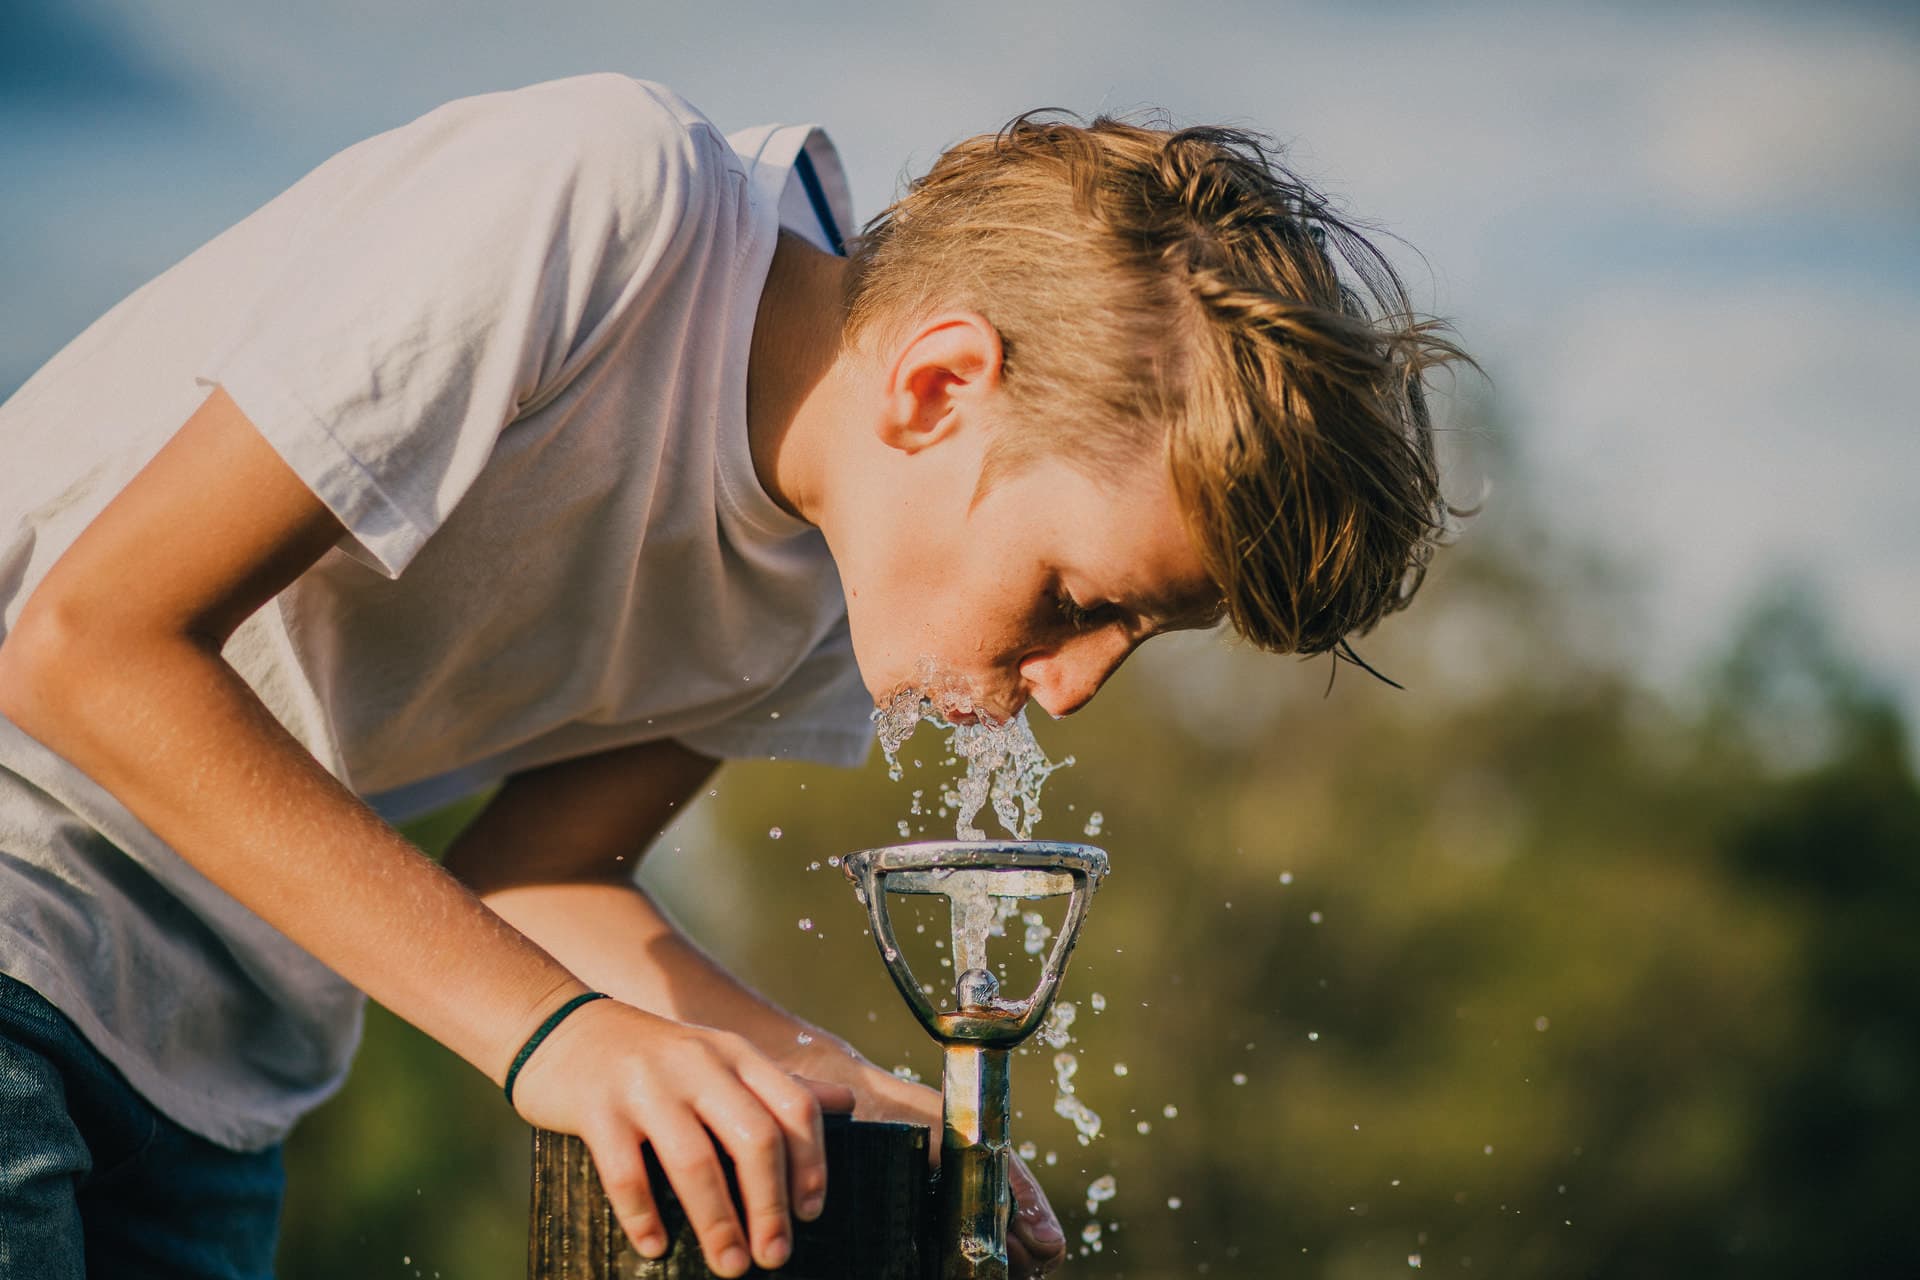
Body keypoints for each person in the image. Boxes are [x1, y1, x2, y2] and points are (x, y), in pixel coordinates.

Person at [0, 73, 1470, 1279]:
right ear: (940, 387)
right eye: (1080, 598)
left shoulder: (838, 584)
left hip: (217, 1068)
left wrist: (818, 1075)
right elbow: (82, 648)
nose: (1078, 687)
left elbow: (537, 875)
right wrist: (559, 1041)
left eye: (1135, 639)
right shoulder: (599, 210)